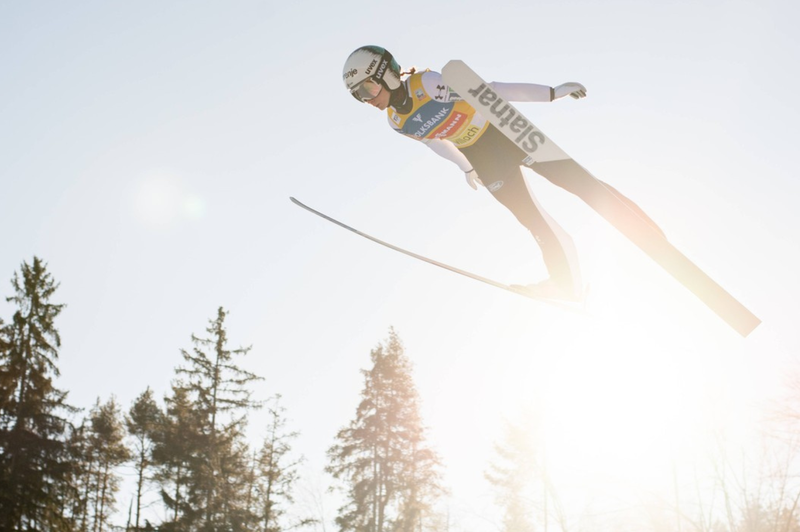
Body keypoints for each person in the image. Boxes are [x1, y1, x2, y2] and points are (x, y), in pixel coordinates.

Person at [343, 45, 663, 301]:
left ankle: (646, 231)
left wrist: (551, 93)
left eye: (368, 88)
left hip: (504, 133)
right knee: (533, 221)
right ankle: (569, 287)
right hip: (482, 157)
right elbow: (433, 141)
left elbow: (490, 91)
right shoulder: (396, 122)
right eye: (359, 96)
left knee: (579, 183)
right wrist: (465, 166)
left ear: (387, 75)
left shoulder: (427, 83)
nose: (368, 100)